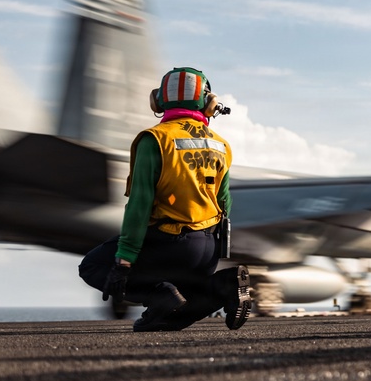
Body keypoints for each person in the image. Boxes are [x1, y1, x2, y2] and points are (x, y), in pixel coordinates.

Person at [79, 67, 251, 332]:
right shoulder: (221, 145)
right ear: (208, 103)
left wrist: (124, 260)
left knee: (91, 266)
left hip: (169, 243)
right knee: (164, 321)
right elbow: (224, 202)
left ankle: (158, 294)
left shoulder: (155, 140)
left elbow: (140, 204)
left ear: (158, 101)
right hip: (207, 250)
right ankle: (223, 285)